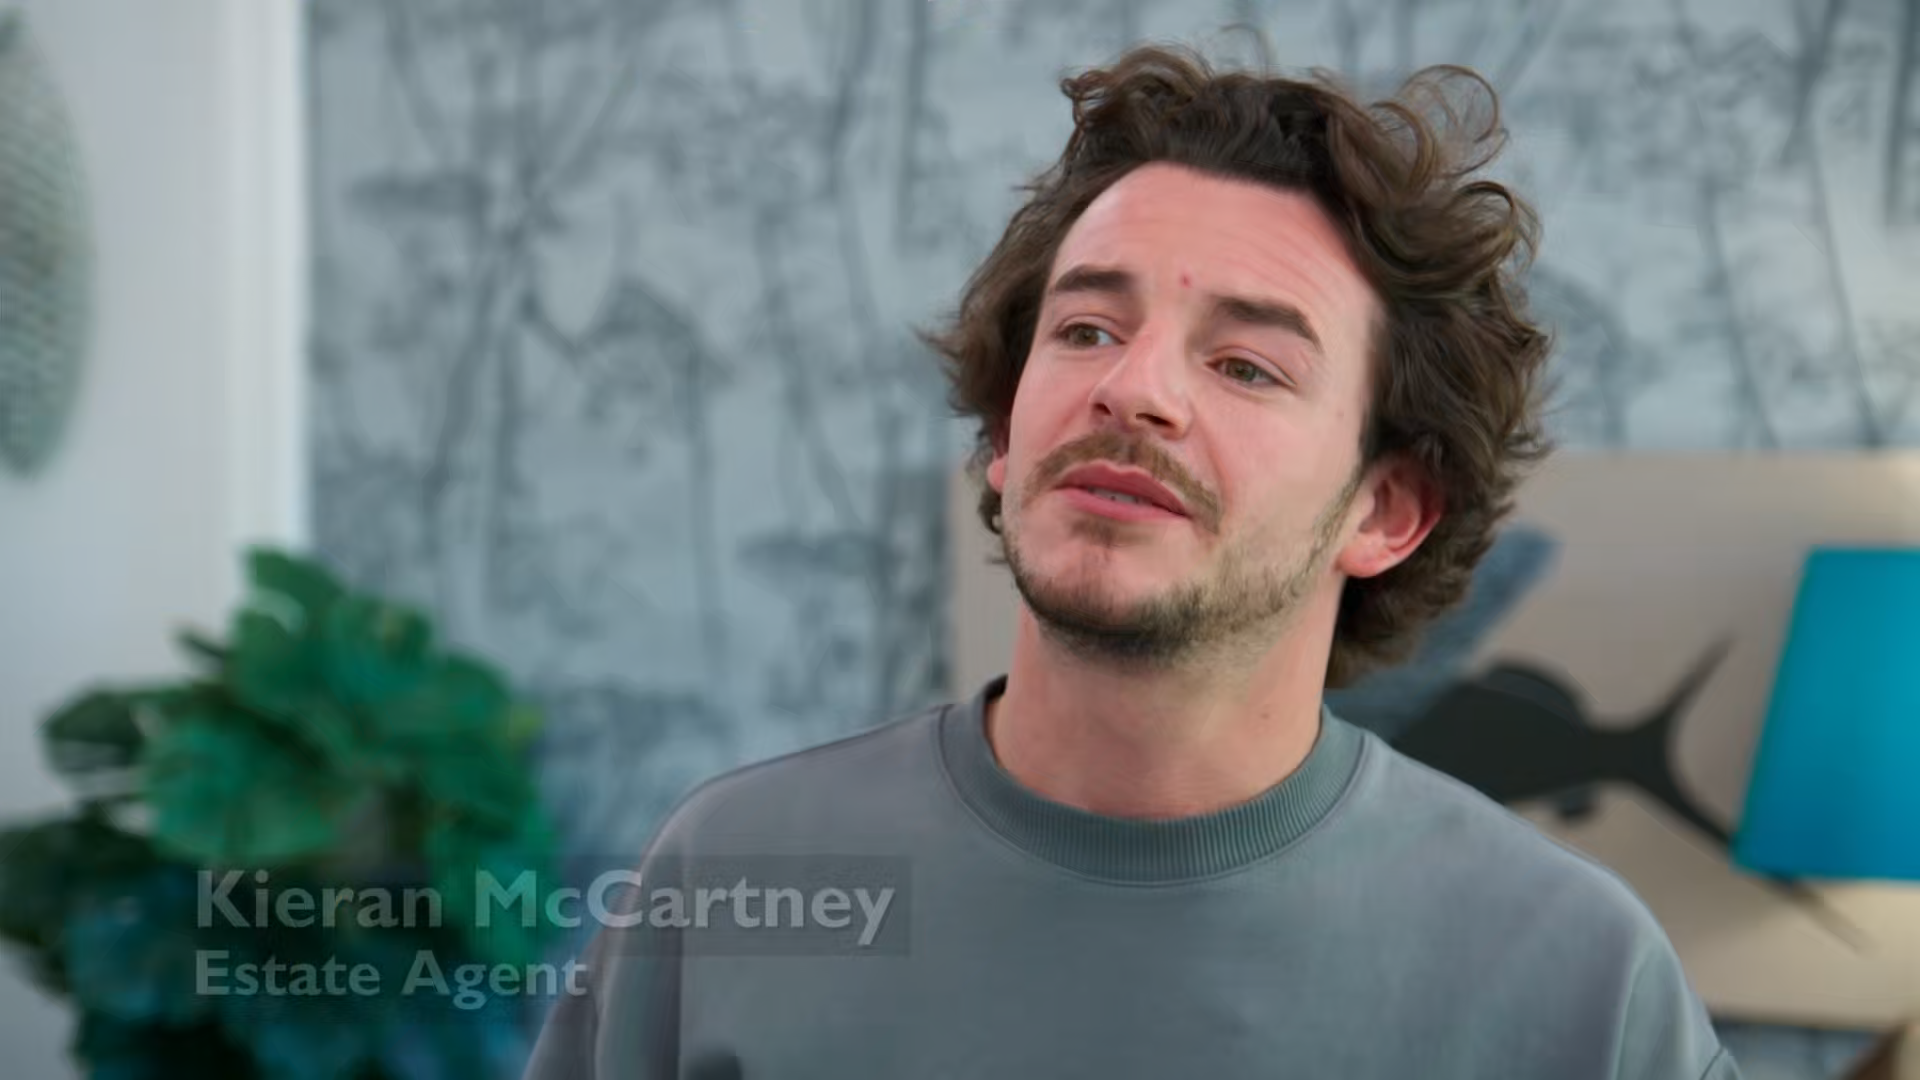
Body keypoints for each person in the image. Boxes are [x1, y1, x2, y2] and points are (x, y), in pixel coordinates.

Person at [523, 41, 1741, 1080]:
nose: (1131, 388)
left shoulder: (1580, 988)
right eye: (1087, 328)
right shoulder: (731, 878)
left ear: (1386, 510)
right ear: (1004, 436)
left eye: (1246, 364)